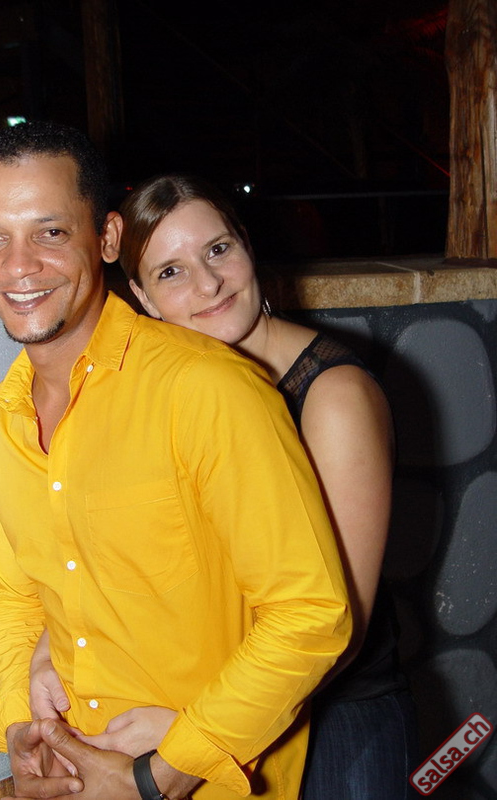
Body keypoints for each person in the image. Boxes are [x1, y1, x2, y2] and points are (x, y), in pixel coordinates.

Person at [0, 122, 351, 800]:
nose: (18, 265)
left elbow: (311, 614)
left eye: (50, 232)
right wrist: (23, 723)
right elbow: (15, 597)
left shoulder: (208, 389)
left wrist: (161, 773)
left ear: (107, 238)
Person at [30, 174, 418, 799]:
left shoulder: (333, 398)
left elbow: (337, 627)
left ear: (247, 247)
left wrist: (196, 732)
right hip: (222, 702)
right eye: (171, 271)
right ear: (142, 296)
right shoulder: (167, 394)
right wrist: (49, 648)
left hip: (334, 719)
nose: (208, 283)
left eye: (217, 249)